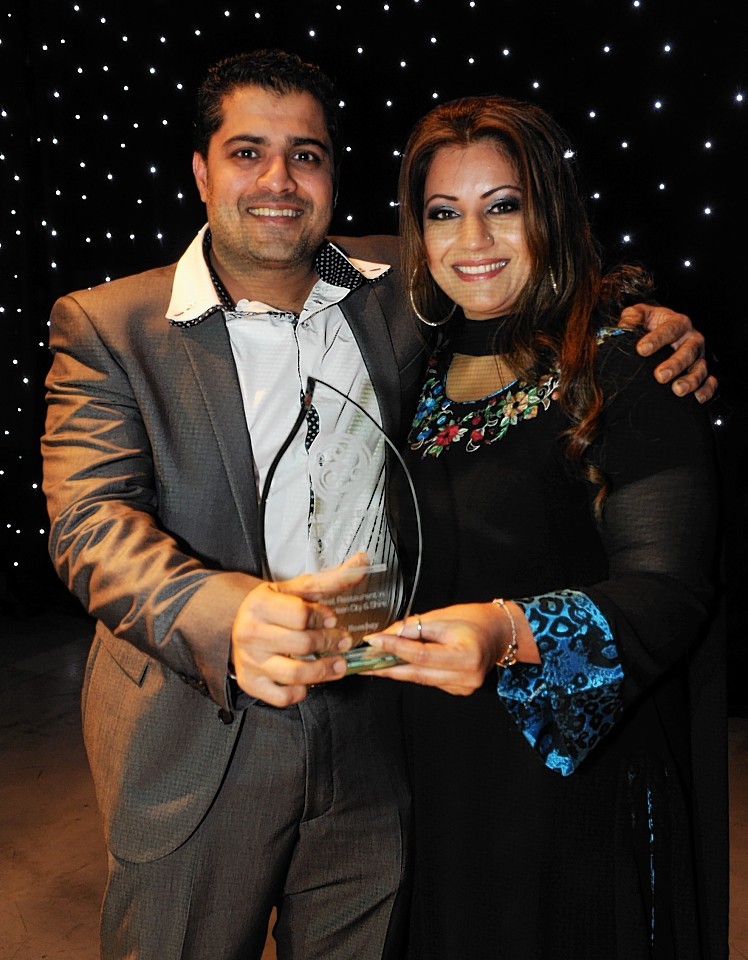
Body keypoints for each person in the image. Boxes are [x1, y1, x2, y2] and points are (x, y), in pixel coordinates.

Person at [41, 49, 715, 960]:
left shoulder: (394, 292)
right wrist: (229, 616)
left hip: (381, 734)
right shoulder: (110, 323)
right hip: (203, 732)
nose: (278, 181)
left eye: (306, 154)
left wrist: (637, 315)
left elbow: (528, 273)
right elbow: (92, 524)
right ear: (200, 171)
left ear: (332, 173)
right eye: (247, 152)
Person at [365, 96, 726, 959]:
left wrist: (508, 628)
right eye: (444, 213)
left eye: (505, 206)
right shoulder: (413, 363)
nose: (474, 242)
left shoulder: (626, 367)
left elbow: (671, 590)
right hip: (436, 775)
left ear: (549, 212)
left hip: (573, 777)